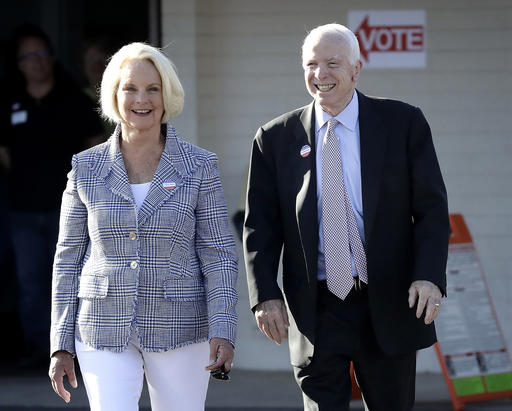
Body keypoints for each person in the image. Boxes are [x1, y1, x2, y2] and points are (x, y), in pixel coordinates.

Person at [243, 23, 449, 410]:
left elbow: (431, 210)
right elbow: (261, 226)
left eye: (332, 63)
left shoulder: (402, 124)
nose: (320, 75)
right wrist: (265, 296)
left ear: (357, 68)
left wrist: (429, 276)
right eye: (312, 64)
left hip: (387, 301)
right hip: (317, 307)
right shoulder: (275, 138)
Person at [48, 42, 238, 410]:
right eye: (130, 88)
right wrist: (60, 343)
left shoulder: (200, 166)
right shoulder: (84, 168)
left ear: (167, 97)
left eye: (153, 89)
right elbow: (67, 259)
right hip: (102, 325)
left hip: (182, 327)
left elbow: (218, 255)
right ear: (114, 95)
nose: (142, 99)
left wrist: (223, 328)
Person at [0, 24, 103, 368]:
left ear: (51, 58)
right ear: (18, 63)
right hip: (23, 210)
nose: (37, 62)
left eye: (42, 54)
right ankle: (36, 351)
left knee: (70, 279)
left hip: (69, 210)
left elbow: (94, 148)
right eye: (29, 56)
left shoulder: (72, 98)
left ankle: (72, 349)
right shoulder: (10, 100)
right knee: (30, 284)